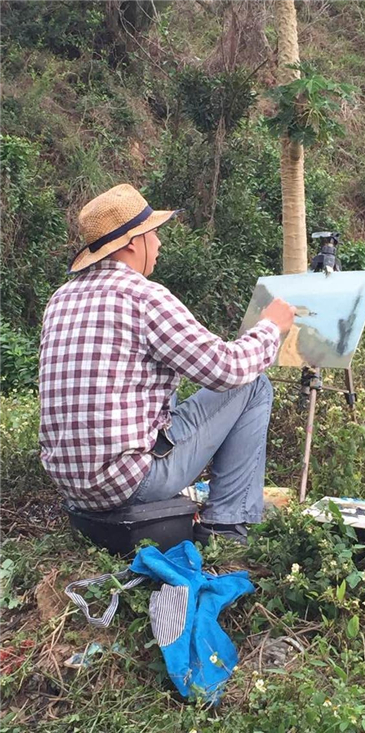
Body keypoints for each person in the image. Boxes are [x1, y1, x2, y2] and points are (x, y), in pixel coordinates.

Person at [39, 184, 295, 544]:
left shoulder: (60, 299)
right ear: (133, 242)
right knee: (253, 384)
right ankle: (226, 523)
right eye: (154, 233)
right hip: (131, 484)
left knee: (161, 384)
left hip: (73, 488)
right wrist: (270, 327)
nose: (158, 244)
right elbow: (226, 369)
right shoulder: (144, 296)